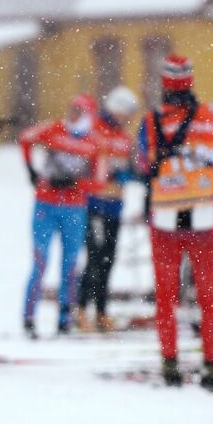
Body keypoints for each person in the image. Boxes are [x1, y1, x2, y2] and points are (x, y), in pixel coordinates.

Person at [135, 55, 213, 390]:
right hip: (204, 220)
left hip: (165, 222)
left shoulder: (150, 122)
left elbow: (142, 164)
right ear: (190, 82)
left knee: (166, 298)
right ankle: (211, 365)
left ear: (164, 84)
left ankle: (170, 365)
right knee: (209, 297)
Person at [19, 96, 105, 337]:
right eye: (72, 109)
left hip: (74, 210)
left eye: (80, 110)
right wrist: (31, 170)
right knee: (40, 260)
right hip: (45, 205)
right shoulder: (54, 129)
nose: (74, 114)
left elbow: (99, 182)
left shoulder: (94, 143)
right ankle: (28, 318)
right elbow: (25, 138)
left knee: (70, 264)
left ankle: (65, 318)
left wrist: (77, 183)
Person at [75, 86, 141, 331]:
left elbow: (131, 166)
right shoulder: (93, 130)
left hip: (115, 204)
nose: (128, 118)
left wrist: (127, 175)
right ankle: (81, 309)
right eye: (127, 113)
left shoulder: (125, 138)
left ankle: (102, 312)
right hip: (92, 203)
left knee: (108, 259)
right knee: (93, 256)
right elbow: (81, 162)